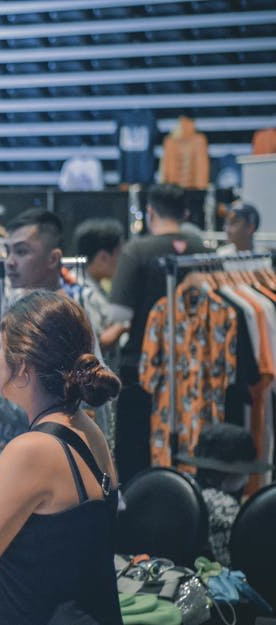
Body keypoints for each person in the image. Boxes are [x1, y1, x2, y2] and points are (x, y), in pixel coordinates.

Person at [0, 290, 121, 625]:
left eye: (0, 349)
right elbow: (59, 543)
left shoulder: (31, 450)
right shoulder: (87, 429)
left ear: (22, 368)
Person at [0, 209, 112, 465]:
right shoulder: (26, 308)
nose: (10, 262)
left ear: (53, 258)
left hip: (41, 467)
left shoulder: (60, 317)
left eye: (22, 251)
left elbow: (61, 411)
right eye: (8, 252)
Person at [110, 185, 209, 483]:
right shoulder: (202, 248)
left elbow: (119, 317)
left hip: (143, 372)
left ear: (150, 212)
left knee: (137, 463)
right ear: (186, 214)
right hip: (193, 370)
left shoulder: (136, 251)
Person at [176, 423, 272, 566]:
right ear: (224, 473)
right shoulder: (224, 506)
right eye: (243, 471)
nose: (247, 478)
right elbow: (238, 563)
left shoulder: (183, 491)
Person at [73, 218, 128, 352]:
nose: (122, 262)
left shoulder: (92, 285)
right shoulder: (83, 292)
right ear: (103, 257)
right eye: (119, 254)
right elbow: (96, 343)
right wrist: (124, 325)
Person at [217, 202, 270, 271]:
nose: (227, 229)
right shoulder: (220, 256)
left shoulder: (266, 259)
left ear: (250, 227)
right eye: (227, 223)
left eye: (234, 223)